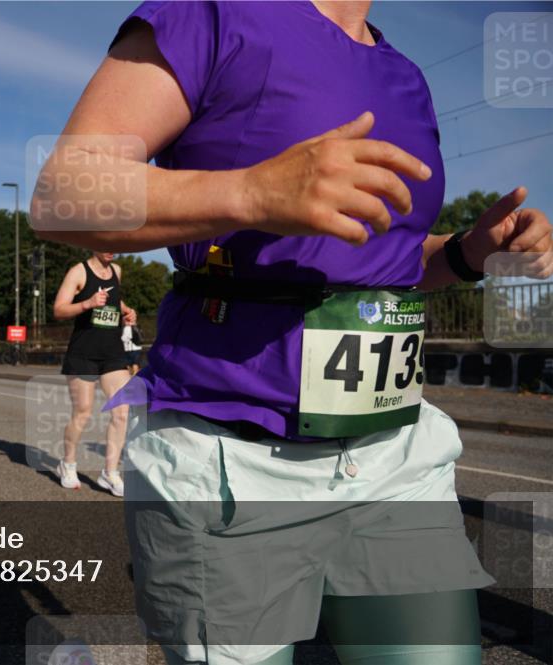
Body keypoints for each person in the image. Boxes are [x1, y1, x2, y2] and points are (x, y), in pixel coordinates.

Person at [33, 2, 553, 663]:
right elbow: (61, 191)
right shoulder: (213, 14)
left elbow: (376, 260)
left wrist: (465, 253)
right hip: (231, 459)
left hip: (391, 456)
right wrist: (251, 192)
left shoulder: (405, 76)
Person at [53, 252, 136, 496]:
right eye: (105, 242)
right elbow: (59, 309)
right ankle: (67, 464)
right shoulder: (78, 271)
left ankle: (110, 473)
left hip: (112, 353)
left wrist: (127, 310)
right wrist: (87, 304)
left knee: (123, 411)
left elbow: (113, 300)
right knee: (83, 412)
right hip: (83, 353)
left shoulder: (117, 271)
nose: (111, 249)